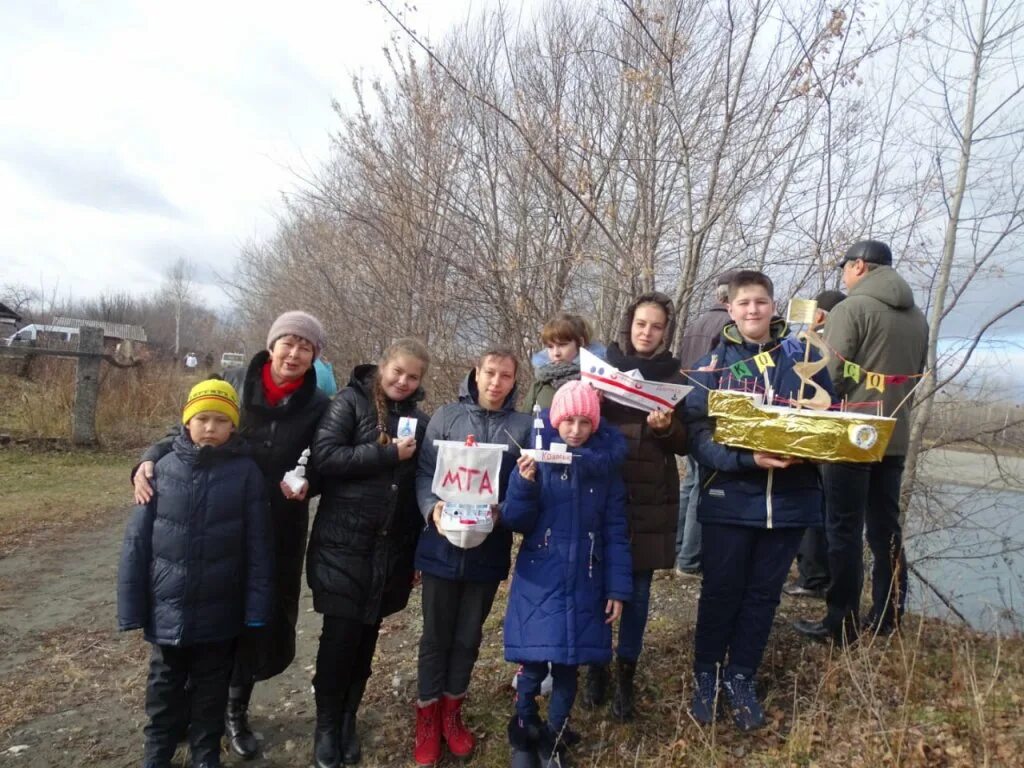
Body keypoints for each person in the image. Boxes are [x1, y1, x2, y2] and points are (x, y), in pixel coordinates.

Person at [133, 311, 330, 760]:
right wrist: (148, 458)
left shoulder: (319, 405)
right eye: (289, 342)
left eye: (306, 347)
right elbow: (186, 427)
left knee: (255, 617)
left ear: (315, 356)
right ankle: (188, 710)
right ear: (272, 343)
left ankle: (234, 711)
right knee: (202, 611)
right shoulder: (234, 380)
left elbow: (323, 460)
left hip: (276, 525)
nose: (295, 353)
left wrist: (306, 485)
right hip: (213, 520)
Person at [684, 270, 835, 731]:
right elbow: (696, 435)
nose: (753, 310)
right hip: (731, 499)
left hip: (790, 503)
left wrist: (809, 443)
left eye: (762, 302)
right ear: (730, 309)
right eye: (744, 303)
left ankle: (741, 676)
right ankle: (706, 675)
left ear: (774, 307)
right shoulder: (714, 366)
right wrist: (747, 459)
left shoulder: (806, 357)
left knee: (763, 597)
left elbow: (828, 418)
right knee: (720, 592)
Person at [117, 378, 273, 768]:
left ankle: (206, 754)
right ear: (186, 422)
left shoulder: (246, 473)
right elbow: (137, 543)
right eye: (201, 418)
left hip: (220, 613)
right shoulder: (160, 470)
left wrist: (256, 609)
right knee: (163, 690)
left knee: (211, 691)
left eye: (220, 420)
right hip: (167, 610)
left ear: (233, 426)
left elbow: (259, 546)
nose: (210, 427)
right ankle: (158, 754)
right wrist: (132, 607)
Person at [795, 241, 928, 644]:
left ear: (859, 266)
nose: (843, 278)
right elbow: (913, 373)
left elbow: (827, 378)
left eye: (845, 269)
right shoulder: (918, 317)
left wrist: (812, 339)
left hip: (851, 435)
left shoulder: (851, 309)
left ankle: (841, 623)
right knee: (886, 529)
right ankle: (888, 616)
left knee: (843, 529)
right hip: (894, 434)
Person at [307, 339, 430, 768]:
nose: (403, 381)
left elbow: (419, 489)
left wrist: (414, 554)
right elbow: (325, 458)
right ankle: (325, 726)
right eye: (397, 371)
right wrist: (386, 454)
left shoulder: (419, 419)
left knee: (365, 640)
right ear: (383, 367)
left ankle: (348, 719)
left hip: (390, 549)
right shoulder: (350, 402)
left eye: (412, 377)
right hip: (344, 544)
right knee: (339, 638)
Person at [411, 346, 532, 766]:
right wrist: (433, 508)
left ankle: (452, 713)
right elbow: (425, 472)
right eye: (490, 373)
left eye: (506, 376)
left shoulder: (522, 426)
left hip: (488, 546)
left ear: (515, 381)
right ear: (476, 374)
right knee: (435, 637)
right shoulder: (446, 417)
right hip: (442, 545)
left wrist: (509, 507)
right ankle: (426, 717)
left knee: (467, 637)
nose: (497, 383)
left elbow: (526, 483)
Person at [503, 382, 632, 768]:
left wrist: (617, 589)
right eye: (567, 421)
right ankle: (525, 729)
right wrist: (523, 485)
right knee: (533, 662)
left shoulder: (605, 471)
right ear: (556, 421)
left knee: (567, 665)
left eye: (583, 422)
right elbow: (515, 519)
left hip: (586, 582)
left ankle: (554, 736)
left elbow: (616, 532)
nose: (574, 430)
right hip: (539, 578)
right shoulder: (538, 460)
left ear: (594, 424)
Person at [581, 291, 688, 721]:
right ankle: (596, 665)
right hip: (605, 485)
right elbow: (578, 422)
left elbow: (684, 443)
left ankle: (627, 672)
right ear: (629, 325)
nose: (647, 332)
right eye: (641, 324)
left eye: (656, 326)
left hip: (650, 495)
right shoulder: (603, 365)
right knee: (595, 583)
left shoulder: (674, 373)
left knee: (638, 592)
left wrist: (665, 428)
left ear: (666, 332)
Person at [782, 289, 847, 600]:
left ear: (819, 315)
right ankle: (819, 573)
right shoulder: (819, 342)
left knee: (812, 505)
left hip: (815, 432)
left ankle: (813, 575)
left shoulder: (816, 346)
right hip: (837, 434)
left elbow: (826, 386)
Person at [675, 271, 736, 576]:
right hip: (710, 415)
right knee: (703, 484)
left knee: (690, 483)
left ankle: (677, 549)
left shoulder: (695, 324)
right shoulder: (730, 327)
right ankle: (689, 559)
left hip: (687, 409)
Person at [520, 312, 604, 413]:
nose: (556, 353)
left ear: (580, 343)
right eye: (550, 347)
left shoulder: (598, 382)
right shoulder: (540, 383)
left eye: (562, 345)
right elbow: (524, 424)